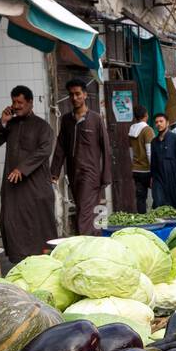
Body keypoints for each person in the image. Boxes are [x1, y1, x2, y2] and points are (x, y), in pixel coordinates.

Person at [0, 85, 55, 262]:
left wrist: (22, 168)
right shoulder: (10, 123)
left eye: (20, 102)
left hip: (36, 187)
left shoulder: (42, 127)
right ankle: (18, 260)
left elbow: (44, 150)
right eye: (14, 102)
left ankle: (44, 259)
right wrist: (2, 121)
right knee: (10, 221)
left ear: (30, 103)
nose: (16, 106)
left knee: (38, 223)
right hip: (13, 188)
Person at [51, 78, 113, 236]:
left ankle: (83, 243)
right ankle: (99, 240)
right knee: (88, 209)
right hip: (73, 174)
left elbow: (106, 149)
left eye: (78, 94)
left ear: (85, 95)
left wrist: (106, 177)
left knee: (84, 213)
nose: (74, 98)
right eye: (71, 94)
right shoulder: (66, 120)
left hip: (91, 174)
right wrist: (54, 173)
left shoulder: (96, 119)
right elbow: (60, 147)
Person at [149, 112, 176, 211]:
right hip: (159, 177)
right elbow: (153, 162)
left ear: (167, 123)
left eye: (161, 121)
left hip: (174, 175)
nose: (159, 124)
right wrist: (152, 178)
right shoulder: (154, 142)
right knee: (158, 203)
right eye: (156, 122)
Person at [128, 104, 154, 212]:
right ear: (146, 115)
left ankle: (142, 220)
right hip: (147, 169)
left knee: (140, 198)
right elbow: (149, 152)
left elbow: (131, 151)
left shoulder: (131, 129)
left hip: (136, 169)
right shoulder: (147, 130)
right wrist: (154, 170)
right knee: (155, 196)